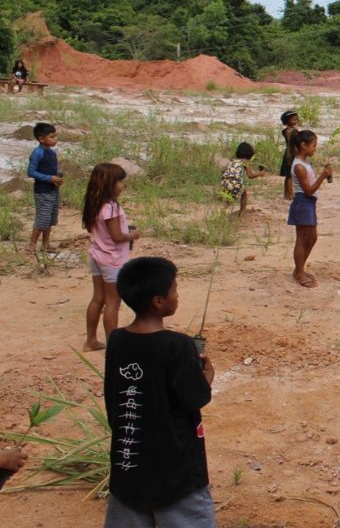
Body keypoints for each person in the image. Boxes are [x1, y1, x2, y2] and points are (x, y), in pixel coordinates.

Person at [103, 257, 216, 527]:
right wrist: (207, 377)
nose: (177, 295)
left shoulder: (117, 340)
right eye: (174, 289)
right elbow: (195, 398)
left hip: (128, 467)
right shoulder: (179, 345)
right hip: (176, 473)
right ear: (158, 301)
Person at [82, 163, 140, 351]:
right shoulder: (111, 207)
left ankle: (91, 340)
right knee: (113, 303)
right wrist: (133, 235)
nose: (122, 186)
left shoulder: (94, 203)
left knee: (97, 299)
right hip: (112, 259)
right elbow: (117, 237)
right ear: (110, 184)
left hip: (97, 254)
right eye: (120, 182)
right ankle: (114, 347)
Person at [289, 129, 332, 288]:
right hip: (303, 202)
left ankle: (299, 269)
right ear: (303, 145)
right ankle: (299, 273)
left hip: (308, 203)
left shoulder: (304, 163)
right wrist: (322, 176)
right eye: (313, 145)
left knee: (312, 238)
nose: (315, 148)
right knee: (302, 238)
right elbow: (308, 190)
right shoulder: (299, 167)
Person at [26, 121, 63, 255]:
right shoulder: (37, 153)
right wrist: (49, 178)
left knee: (50, 218)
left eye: (55, 136)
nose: (55, 139)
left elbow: (49, 170)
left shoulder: (51, 153)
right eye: (52, 137)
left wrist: (57, 178)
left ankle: (45, 245)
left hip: (53, 190)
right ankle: (31, 245)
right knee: (42, 218)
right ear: (41, 139)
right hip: (42, 191)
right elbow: (31, 172)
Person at [220, 142, 268, 216]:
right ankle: (242, 213)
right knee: (244, 193)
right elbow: (250, 175)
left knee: (228, 198)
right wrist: (260, 174)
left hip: (224, 183)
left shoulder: (232, 160)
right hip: (236, 184)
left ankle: (223, 211)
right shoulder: (245, 162)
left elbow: (223, 170)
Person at [279, 110, 300, 198]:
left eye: (296, 119)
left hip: (290, 153)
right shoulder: (290, 131)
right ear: (287, 121)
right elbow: (292, 143)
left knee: (289, 175)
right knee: (290, 176)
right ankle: (290, 194)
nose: (296, 121)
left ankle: (287, 193)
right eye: (293, 120)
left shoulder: (289, 130)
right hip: (291, 154)